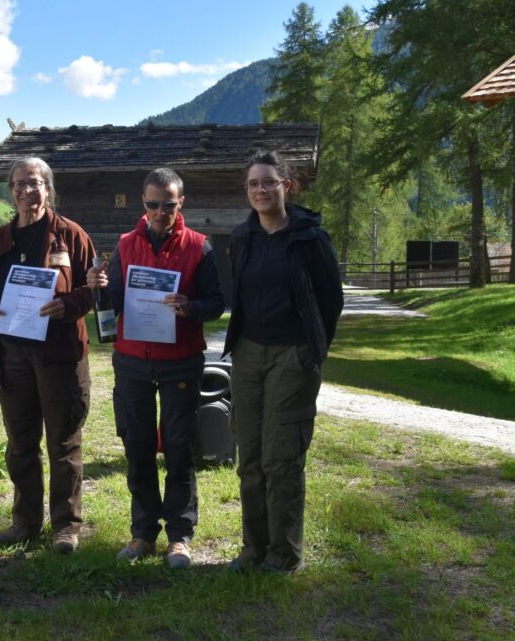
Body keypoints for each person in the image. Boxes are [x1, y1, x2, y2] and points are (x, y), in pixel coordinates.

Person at [86, 168, 224, 569]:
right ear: (142, 204)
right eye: (153, 204)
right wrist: (98, 286)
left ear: (181, 203)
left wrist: (191, 307)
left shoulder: (200, 246)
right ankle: (143, 533)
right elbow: (113, 300)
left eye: (168, 204)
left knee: (180, 449)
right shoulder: (126, 245)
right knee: (138, 447)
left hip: (180, 362)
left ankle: (180, 536)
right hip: (132, 363)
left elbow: (217, 302)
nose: (161, 212)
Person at [224, 150, 343, 574]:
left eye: (269, 182)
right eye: (253, 184)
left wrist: (312, 350)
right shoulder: (242, 239)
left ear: (285, 186)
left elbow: (331, 301)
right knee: (251, 457)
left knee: (282, 457)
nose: (261, 190)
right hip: (247, 353)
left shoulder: (310, 238)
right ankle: (253, 548)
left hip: (293, 354)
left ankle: (284, 553)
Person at [0, 157, 95, 554]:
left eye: (35, 183)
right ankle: (25, 521)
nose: (27, 191)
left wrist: (68, 305)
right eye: (19, 184)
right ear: (11, 191)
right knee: (20, 442)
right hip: (12, 354)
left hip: (59, 354)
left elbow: (94, 288)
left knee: (63, 442)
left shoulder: (71, 236)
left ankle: (66, 526)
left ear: (48, 187)